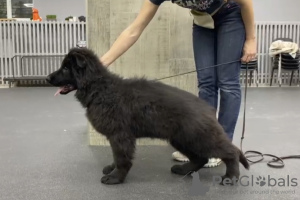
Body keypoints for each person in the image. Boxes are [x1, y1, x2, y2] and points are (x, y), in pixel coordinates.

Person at [100, 0, 256, 168]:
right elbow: (134, 30)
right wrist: (102, 62)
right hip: (203, 21)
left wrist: (251, 39)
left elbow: (246, 3)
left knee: (227, 83)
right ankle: (202, 143)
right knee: (206, 82)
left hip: (231, 15)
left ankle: (222, 147)